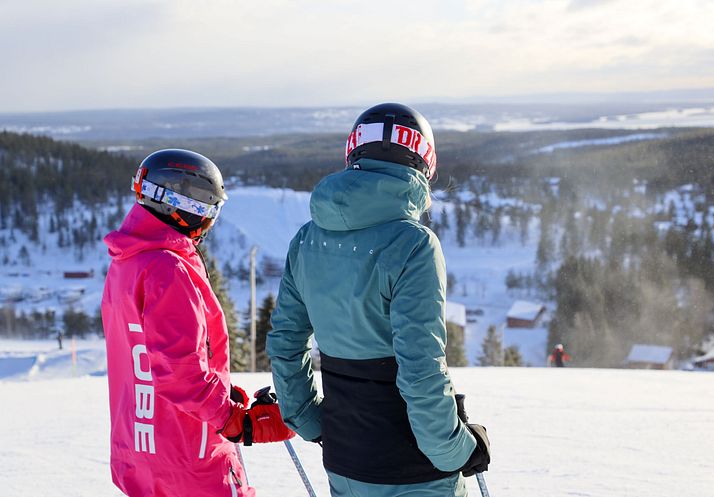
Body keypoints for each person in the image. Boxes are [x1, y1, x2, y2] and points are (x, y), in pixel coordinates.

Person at [267, 104, 490, 497]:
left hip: (344, 460)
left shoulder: (307, 239)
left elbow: (286, 342)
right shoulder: (413, 244)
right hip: (412, 472)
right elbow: (420, 365)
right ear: (424, 163)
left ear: (354, 152)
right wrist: (455, 449)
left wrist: (308, 419)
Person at [101, 149, 294, 497]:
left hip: (141, 452)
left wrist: (222, 398)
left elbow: (151, 357)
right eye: (209, 208)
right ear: (184, 206)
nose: (210, 221)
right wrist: (240, 422)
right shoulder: (168, 270)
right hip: (190, 460)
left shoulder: (128, 262)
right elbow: (180, 372)